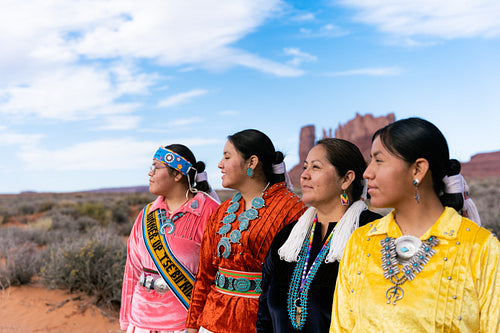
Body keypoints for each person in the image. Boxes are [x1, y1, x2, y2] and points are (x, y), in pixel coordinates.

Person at [330, 117, 500, 332]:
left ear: (418, 169)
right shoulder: (361, 241)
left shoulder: (481, 248)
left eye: (379, 160)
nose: (367, 172)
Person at [185, 129, 307, 333]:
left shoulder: (292, 210)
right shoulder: (221, 212)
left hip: (262, 323)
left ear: (251, 162)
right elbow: (204, 275)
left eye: (227, 156)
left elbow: (298, 282)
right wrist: (192, 325)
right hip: (212, 321)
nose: (220, 164)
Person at [256, 138, 382, 332]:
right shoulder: (288, 238)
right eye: (305, 167)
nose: (304, 175)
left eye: (315, 167)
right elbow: (264, 313)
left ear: (346, 179)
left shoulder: (373, 235)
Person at [120, 144, 220, 333]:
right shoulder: (147, 214)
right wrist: (126, 323)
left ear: (178, 174)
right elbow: (131, 271)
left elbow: (219, 273)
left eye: (156, 167)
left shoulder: (209, 212)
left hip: (186, 324)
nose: (150, 173)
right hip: (140, 322)